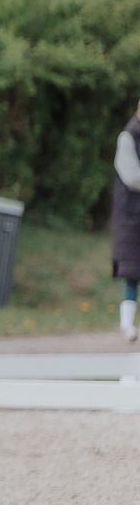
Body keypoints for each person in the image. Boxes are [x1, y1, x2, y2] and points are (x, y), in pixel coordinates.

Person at [114, 101, 140, 342]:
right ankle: (126, 325)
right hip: (131, 217)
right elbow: (132, 176)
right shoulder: (127, 136)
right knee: (132, 271)